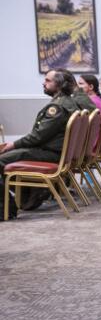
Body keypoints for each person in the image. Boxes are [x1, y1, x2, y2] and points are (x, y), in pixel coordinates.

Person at [0, 71, 74, 219]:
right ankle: (30, 194)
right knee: (11, 154)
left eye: (47, 80)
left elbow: (38, 137)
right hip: (56, 151)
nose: (43, 83)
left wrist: (13, 144)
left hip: (50, 153)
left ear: (58, 85)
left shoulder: (57, 107)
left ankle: (6, 209)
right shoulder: (68, 102)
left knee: (2, 159)